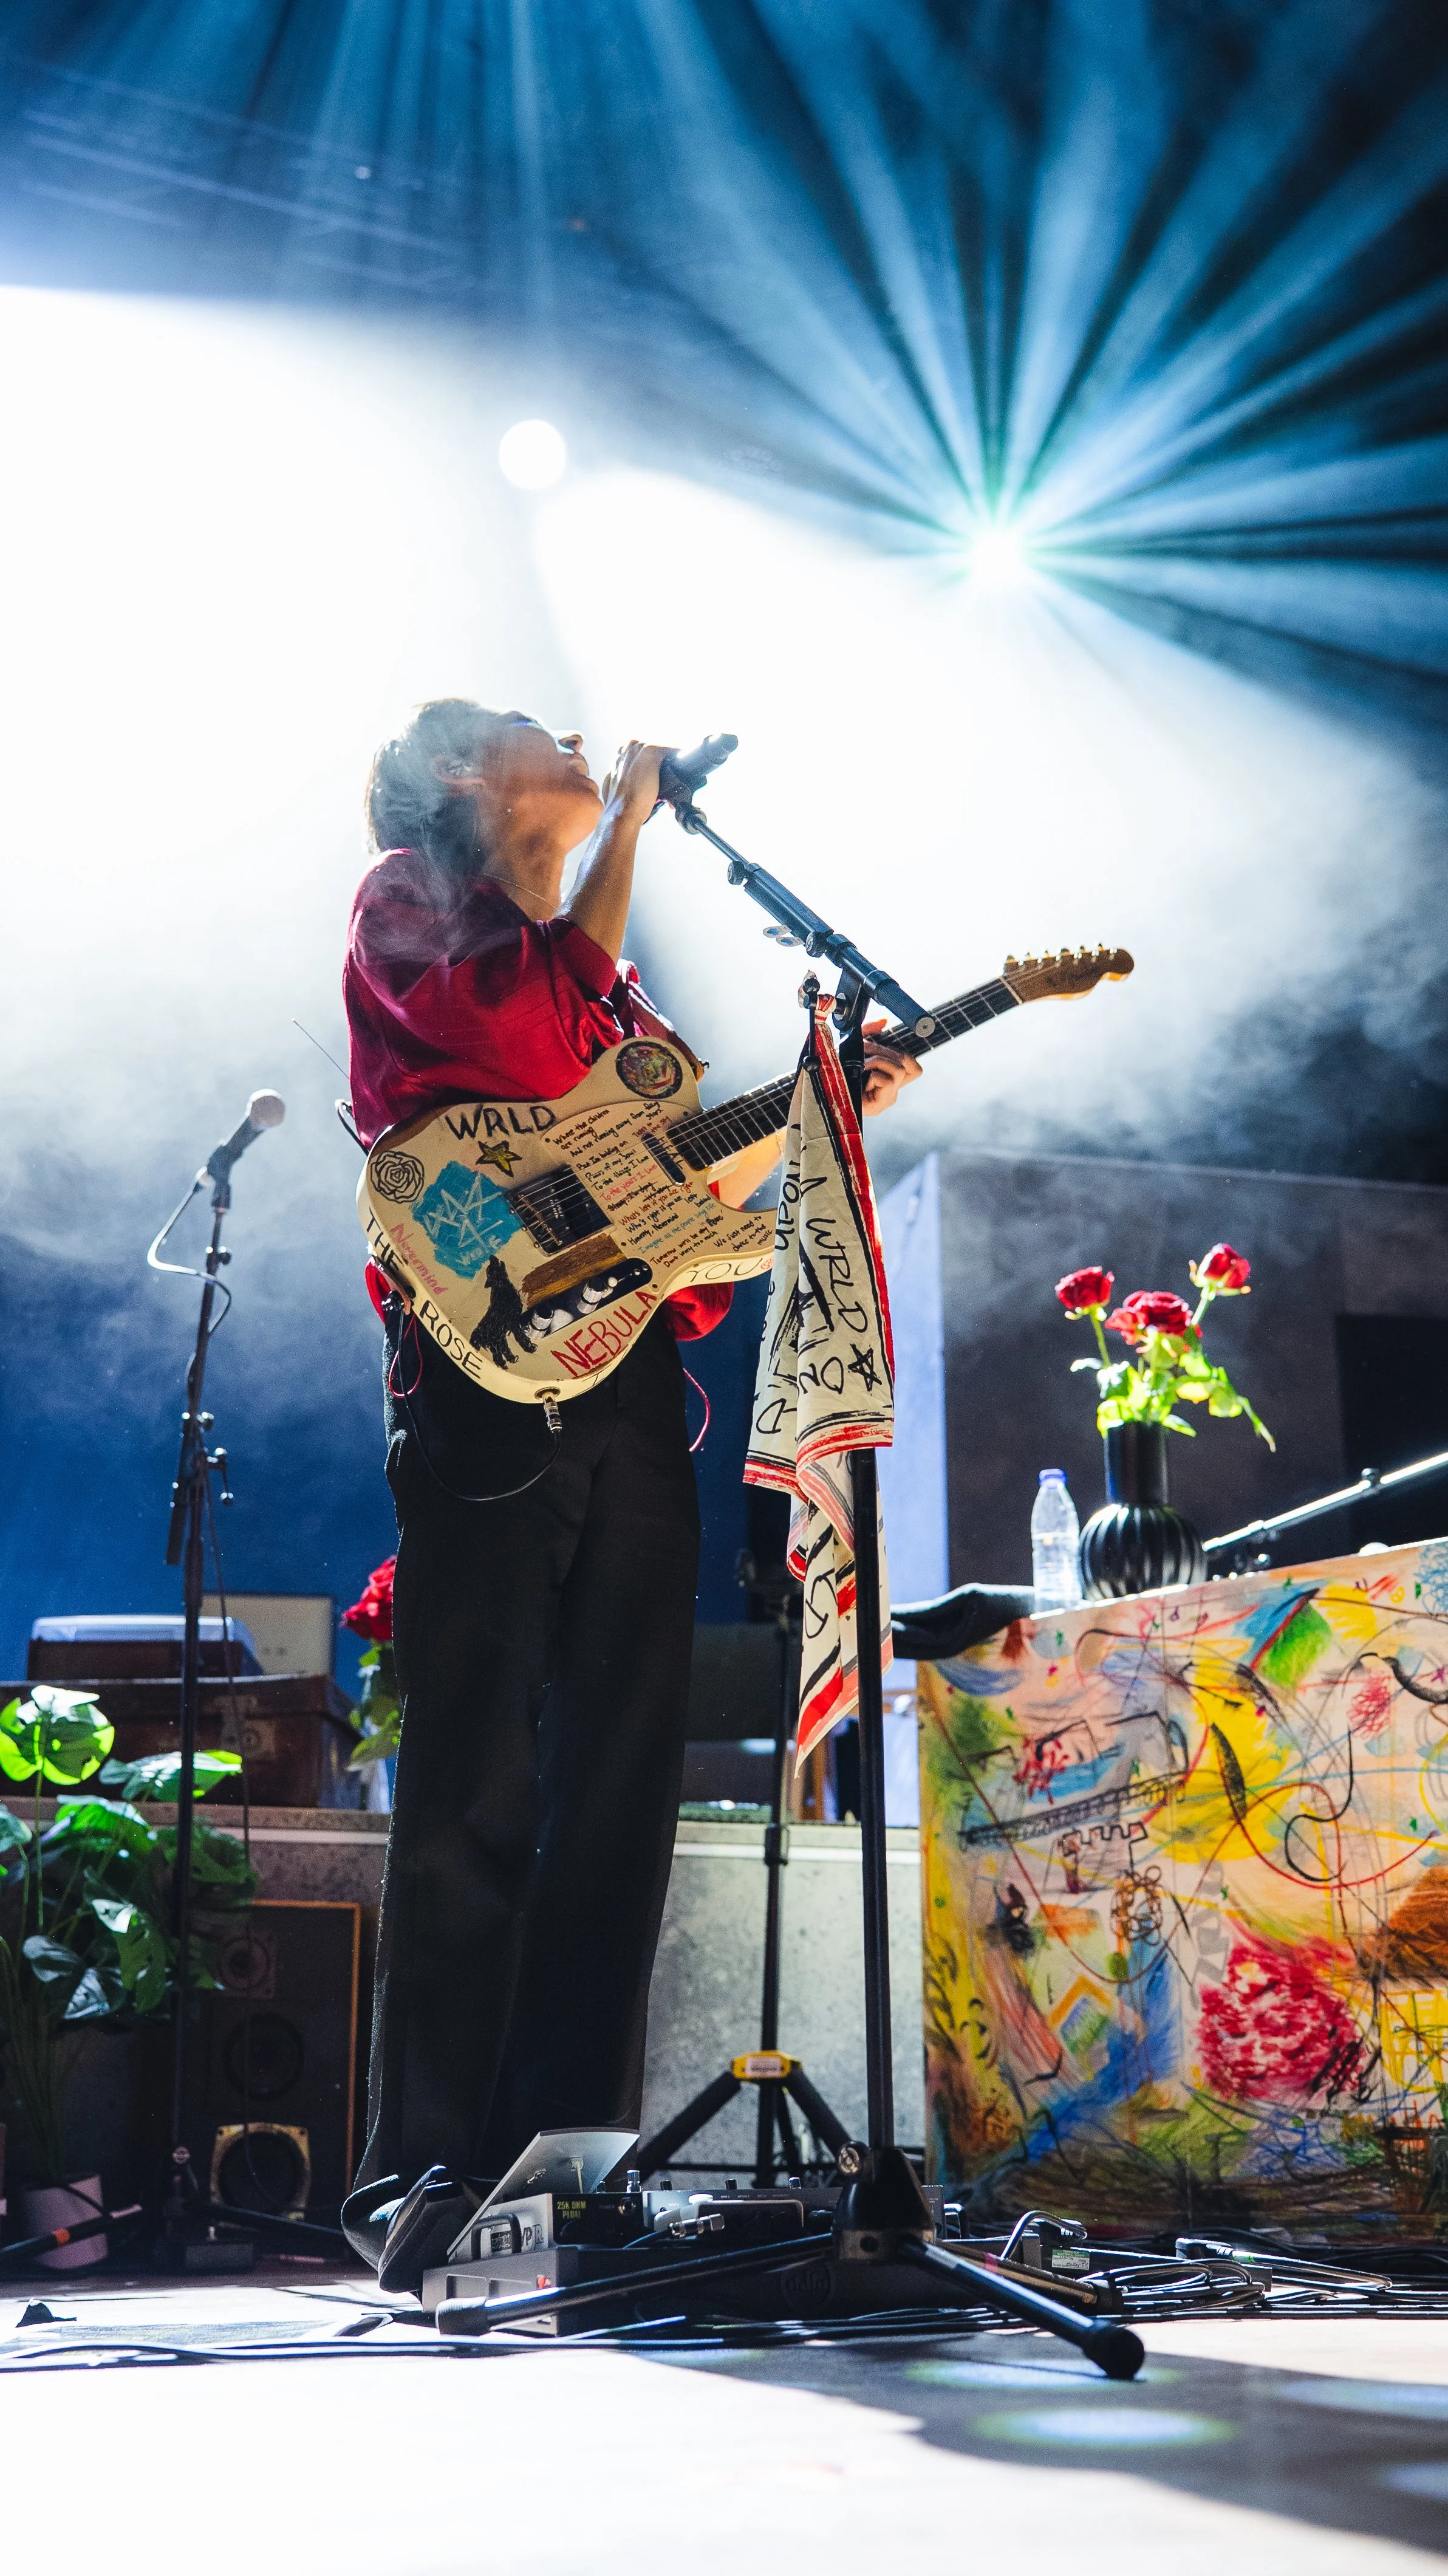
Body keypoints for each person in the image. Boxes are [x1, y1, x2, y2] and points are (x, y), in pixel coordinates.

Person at [340, 700, 919, 2276]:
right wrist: (630, 829)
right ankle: (424, 2172)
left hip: (629, 1389)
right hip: (481, 1384)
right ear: (469, 771)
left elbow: (661, 1203)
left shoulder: (615, 988)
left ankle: (566, 2155)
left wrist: (823, 1122)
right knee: (477, 1782)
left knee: (619, 1784)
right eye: (538, 728)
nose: (580, 737)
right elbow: (515, 1040)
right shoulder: (414, 900)